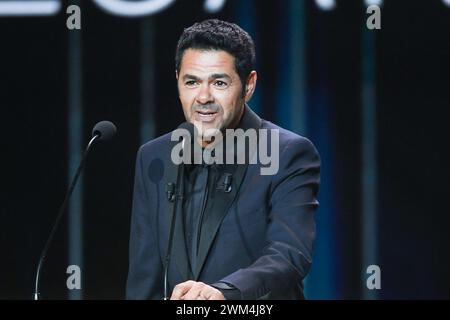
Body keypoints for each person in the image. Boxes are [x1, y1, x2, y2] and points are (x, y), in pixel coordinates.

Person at [126, 19, 320, 300]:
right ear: (178, 80)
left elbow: (289, 254)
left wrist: (225, 293)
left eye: (219, 82)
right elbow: (145, 274)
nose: (204, 97)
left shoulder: (287, 153)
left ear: (248, 85)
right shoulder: (154, 157)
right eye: (192, 82)